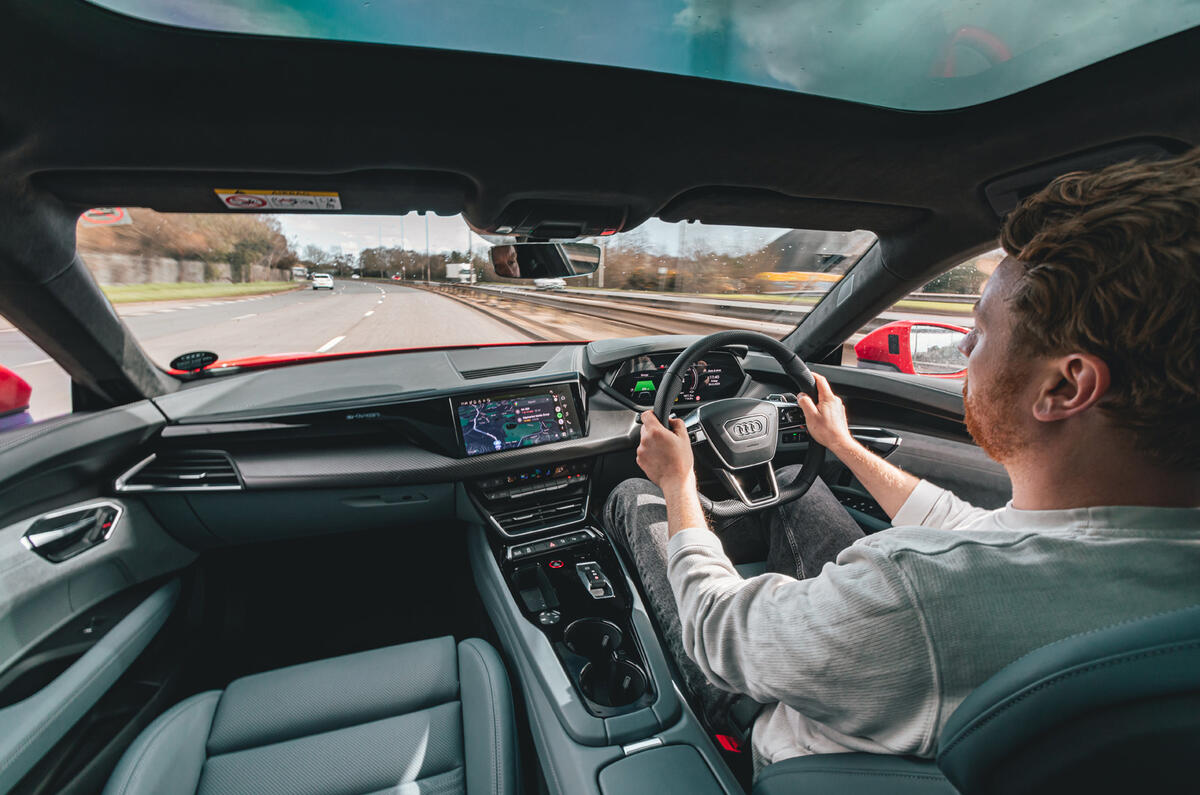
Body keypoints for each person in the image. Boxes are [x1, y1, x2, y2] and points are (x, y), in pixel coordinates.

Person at [604, 150, 1200, 775]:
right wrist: (840, 443)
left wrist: (676, 484)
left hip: (791, 747)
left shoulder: (918, 589)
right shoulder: (1146, 560)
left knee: (632, 498)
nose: (965, 344)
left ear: (1065, 386)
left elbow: (719, 632)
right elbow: (966, 527)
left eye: (981, 326)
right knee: (794, 489)